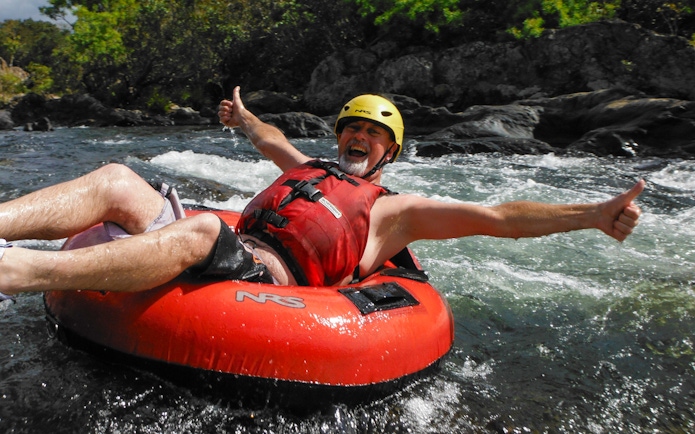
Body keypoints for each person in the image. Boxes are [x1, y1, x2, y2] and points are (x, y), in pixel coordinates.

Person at [0, 86, 644, 297]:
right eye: (352, 130)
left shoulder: (398, 212)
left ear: (389, 151)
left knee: (200, 230)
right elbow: (270, 141)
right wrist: (245, 119)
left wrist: (592, 214)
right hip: (224, 245)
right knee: (118, 179)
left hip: (263, 276)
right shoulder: (310, 166)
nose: (359, 138)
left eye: (373, 134)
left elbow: (501, 215)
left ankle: (17, 271)